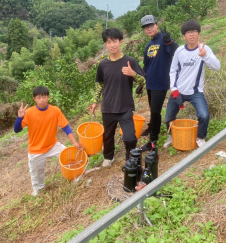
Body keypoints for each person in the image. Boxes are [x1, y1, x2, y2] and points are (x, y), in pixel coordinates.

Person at [90, 28, 146, 167]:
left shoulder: (129, 61)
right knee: (108, 136)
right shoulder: (102, 64)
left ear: (121, 41)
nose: (112, 45)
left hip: (125, 106)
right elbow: (99, 83)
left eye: (114, 41)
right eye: (108, 42)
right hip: (108, 107)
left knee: (130, 137)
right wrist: (95, 101)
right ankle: (108, 157)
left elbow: (144, 81)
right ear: (105, 44)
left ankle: (130, 158)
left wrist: (133, 74)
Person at [14, 86, 82, 196]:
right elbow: (17, 130)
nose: (42, 100)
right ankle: (38, 189)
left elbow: (65, 127)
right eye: (39, 97)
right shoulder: (30, 112)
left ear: (48, 97)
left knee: (69, 156)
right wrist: (20, 118)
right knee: (36, 172)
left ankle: (75, 176)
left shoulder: (55, 110)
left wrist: (74, 142)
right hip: (36, 150)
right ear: (34, 99)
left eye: (44, 97)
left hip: (52, 145)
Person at [165, 20, 220, 148]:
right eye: (188, 32)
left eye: (194, 32)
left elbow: (217, 67)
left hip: (196, 92)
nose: (192, 35)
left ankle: (200, 138)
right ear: (184, 36)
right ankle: (171, 136)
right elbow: (173, 70)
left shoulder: (205, 49)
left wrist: (205, 56)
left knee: (204, 115)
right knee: (168, 117)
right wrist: (174, 89)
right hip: (179, 91)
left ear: (199, 34)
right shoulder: (179, 51)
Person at [139, 15, 179, 151]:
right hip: (150, 82)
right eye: (146, 27)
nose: (149, 28)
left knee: (156, 111)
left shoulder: (164, 39)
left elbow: (176, 52)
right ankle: (152, 128)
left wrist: (170, 42)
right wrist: (141, 82)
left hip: (160, 82)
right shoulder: (149, 45)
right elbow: (146, 65)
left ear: (156, 25)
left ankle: (153, 140)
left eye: (151, 25)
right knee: (153, 109)